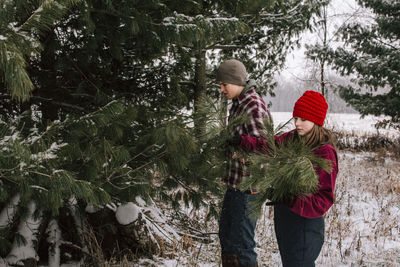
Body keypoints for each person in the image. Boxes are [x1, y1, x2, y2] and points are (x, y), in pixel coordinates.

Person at [238, 90, 339, 267]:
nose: (297, 123)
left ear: (317, 121)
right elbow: (268, 146)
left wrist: (290, 199)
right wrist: (240, 141)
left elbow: (324, 198)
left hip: (305, 223)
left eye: (303, 119)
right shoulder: (293, 138)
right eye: (295, 118)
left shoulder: (324, 152)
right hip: (285, 218)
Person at [216, 59, 269, 267]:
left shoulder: (253, 104)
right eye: (219, 85)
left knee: (241, 244)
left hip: (249, 187)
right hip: (235, 183)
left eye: (224, 85)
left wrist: (239, 144)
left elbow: (266, 146)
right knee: (226, 236)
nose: (221, 90)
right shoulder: (238, 103)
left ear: (236, 81)